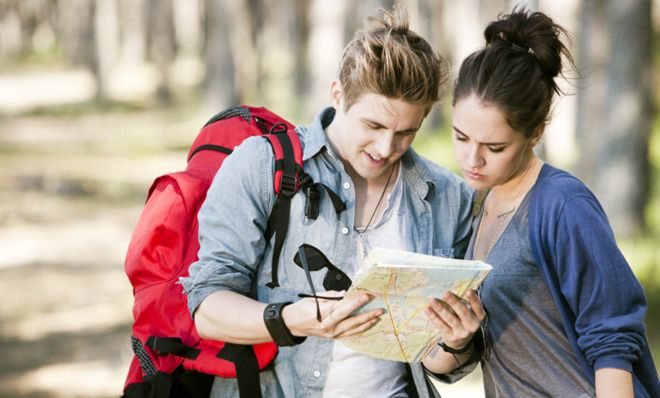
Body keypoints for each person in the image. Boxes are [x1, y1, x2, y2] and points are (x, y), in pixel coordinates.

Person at [180, 5, 476, 397]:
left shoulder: (446, 197)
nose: (387, 147)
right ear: (337, 94)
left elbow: (437, 364)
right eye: (373, 125)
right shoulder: (262, 164)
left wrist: (457, 342)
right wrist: (292, 320)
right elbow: (207, 309)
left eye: (407, 132)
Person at [422, 7, 660, 398]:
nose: (472, 159)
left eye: (494, 147)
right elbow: (452, 362)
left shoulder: (562, 205)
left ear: (535, 132)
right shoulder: (478, 206)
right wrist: (458, 338)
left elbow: (614, 339)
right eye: (461, 137)